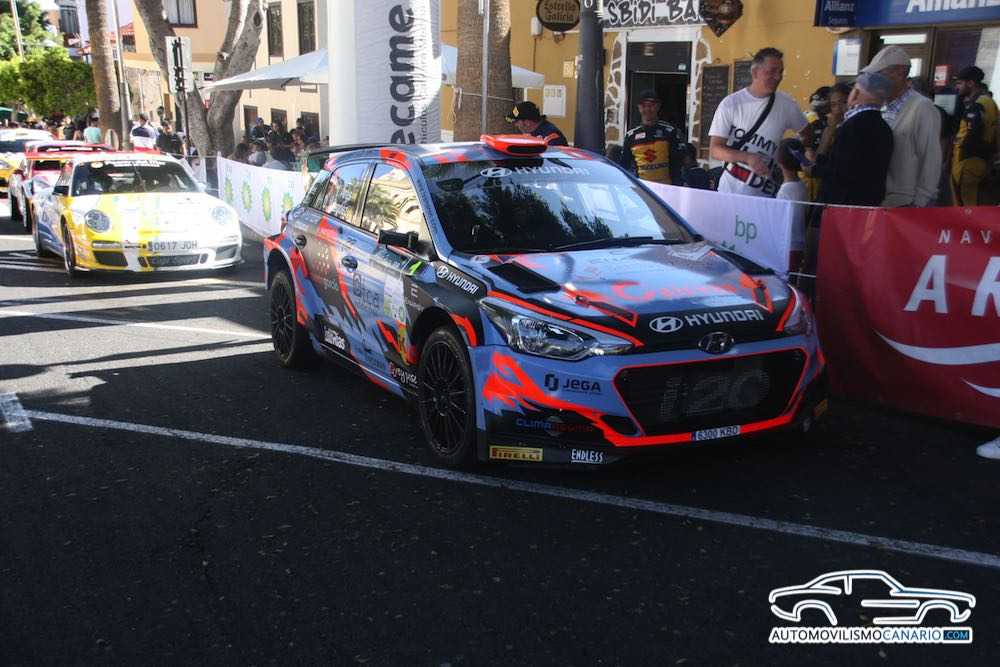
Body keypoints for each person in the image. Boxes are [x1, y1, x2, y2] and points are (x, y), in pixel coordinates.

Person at [708, 47, 811, 198]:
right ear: (755, 72)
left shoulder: (786, 105)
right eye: (772, 71)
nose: (778, 77)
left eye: (780, 72)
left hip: (766, 196)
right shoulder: (731, 104)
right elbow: (715, 149)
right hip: (729, 192)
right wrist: (748, 157)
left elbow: (807, 133)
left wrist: (795, 154)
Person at [863, 45, 941, 207]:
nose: (873, 81)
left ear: (899, 73)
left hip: (905, 202)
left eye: (879, 74)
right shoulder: (880, 106)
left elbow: (930, 159)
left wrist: (921, 202)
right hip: (879, 199)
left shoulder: (922, 108)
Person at [950, 65, 998, 206]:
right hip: (978, 162)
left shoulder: (978, 106)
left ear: (970, 83)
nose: (957, 87)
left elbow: (972, 139)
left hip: (967, 163)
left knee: (965, 206)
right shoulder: (989, 102)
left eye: (960, 83)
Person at [619, 89, 684, 184]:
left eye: (651, 105)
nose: (647, 109)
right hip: (643, 188)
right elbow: (624, 166)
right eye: (643, 106)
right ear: (639, 108)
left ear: (658, 107)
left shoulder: (670, 132)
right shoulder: (631, 136)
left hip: (667, 187)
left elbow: (678, 162)